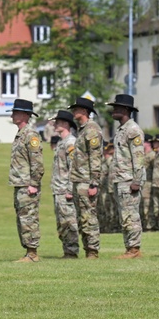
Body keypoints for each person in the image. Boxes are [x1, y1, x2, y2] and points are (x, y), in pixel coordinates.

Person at [107, 93, 145, 259]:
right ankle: (129, 248)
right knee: (125, 216)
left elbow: (138, 158)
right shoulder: (121, 130)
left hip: (129, 180)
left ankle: (134, 249)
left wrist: (136, 181)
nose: (113, 110)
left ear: (126, 110)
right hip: (120, 179)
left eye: (116, 108)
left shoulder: (133, 130)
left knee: (131, 215)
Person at [8, 99, 45, 262]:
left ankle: (32, 253)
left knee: (29, 218)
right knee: (22, 218)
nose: (13, 115)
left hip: (27, 184)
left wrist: (34, 183)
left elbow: (37, 162)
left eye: (16, 112)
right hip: (20, 183)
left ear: (25, 115)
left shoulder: (30, 134)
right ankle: (29, 251)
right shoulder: (21, 134)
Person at [68, 97, 104, 259]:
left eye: (76, 109)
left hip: (86, 181)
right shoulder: (82, 130)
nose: (73, 112)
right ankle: (87, 249)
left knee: (88, 216)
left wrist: (94, 182)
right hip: (78, 180)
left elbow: (96, 157)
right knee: (81, 217)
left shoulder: (92, 130)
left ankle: (92, 250)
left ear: (84, 111)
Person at [50, 110, 79, 259]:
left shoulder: (70, 143)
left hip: (65, 190)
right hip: (58, 189)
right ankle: (67, 250)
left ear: (66, 124)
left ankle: (72, 251)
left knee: (69, 221)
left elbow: (73, 168)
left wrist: (70, 189)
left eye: (58, 122)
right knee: (61, 223)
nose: (55, 124)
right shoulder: (61, 142)